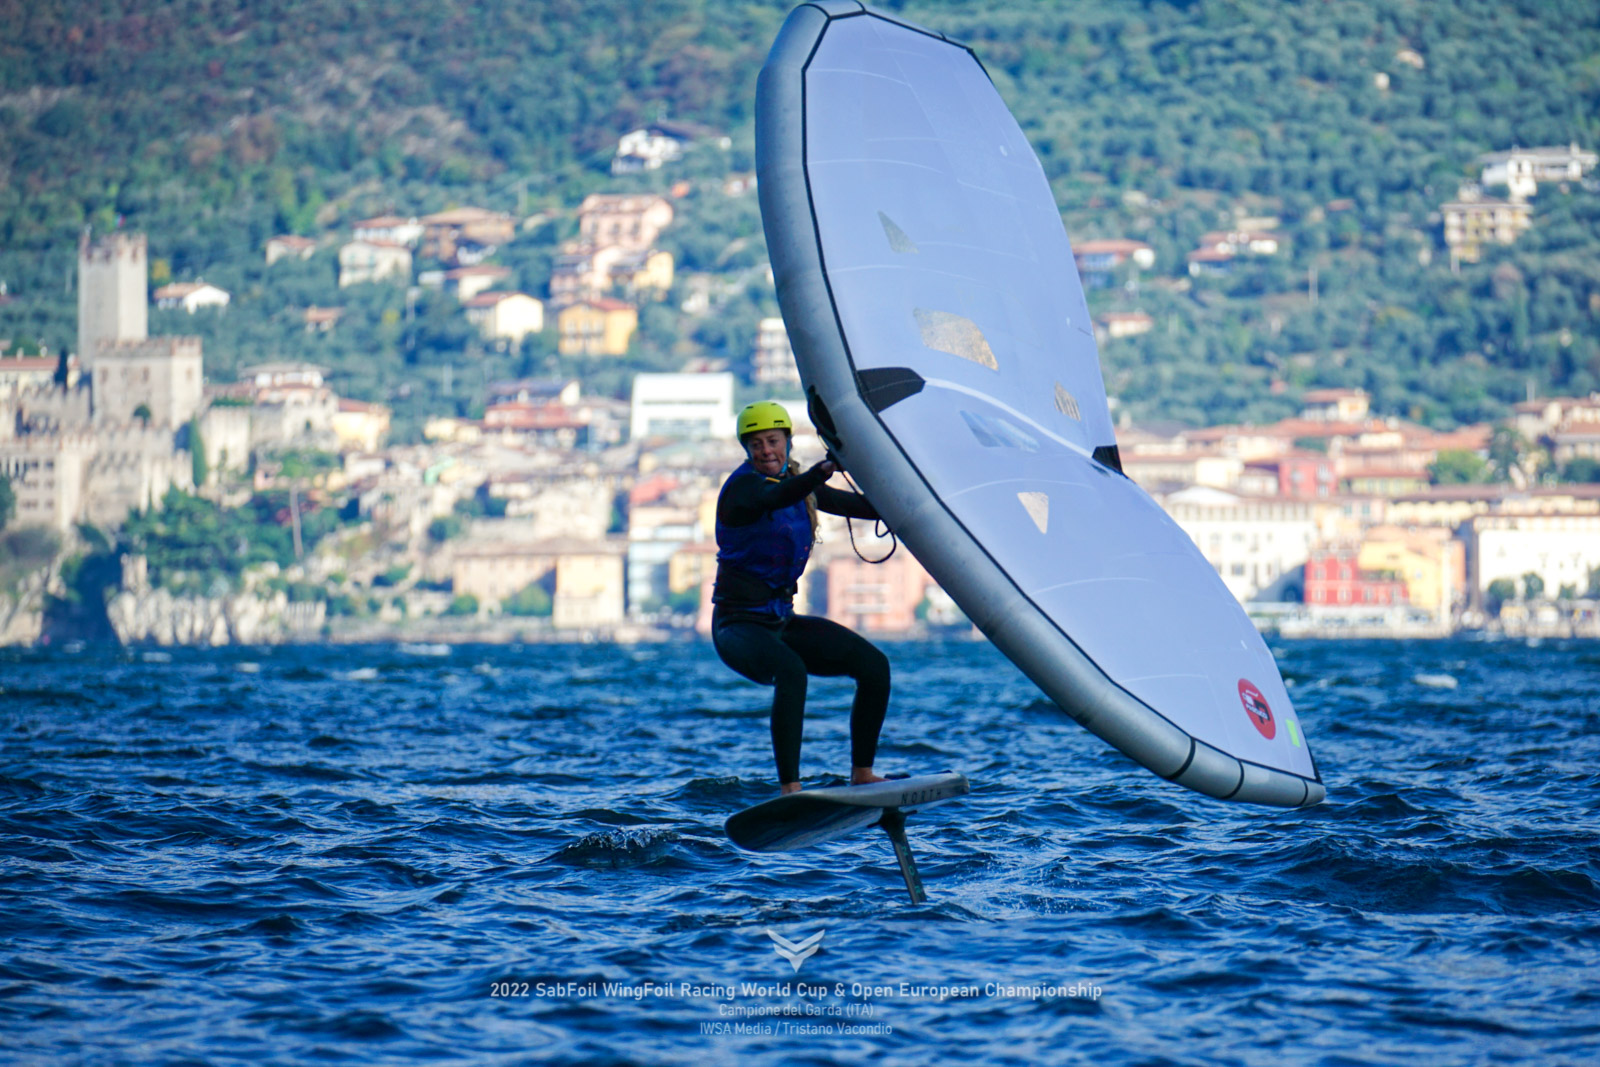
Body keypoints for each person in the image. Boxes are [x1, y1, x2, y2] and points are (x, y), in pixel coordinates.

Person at [712, 401, 891, 795]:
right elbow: (776, 498)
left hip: (782, 621)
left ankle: (863, 772)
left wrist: (905, 505)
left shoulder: (798, 484)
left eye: (773, 441)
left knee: (874, 666)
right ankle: (790, 789)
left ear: (787, 442)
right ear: (746, 450)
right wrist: (822, 470)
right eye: (756, 444)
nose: (766, 451)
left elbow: (853, 505)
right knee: (791, 672)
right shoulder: (743, 489)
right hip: (737, 626)